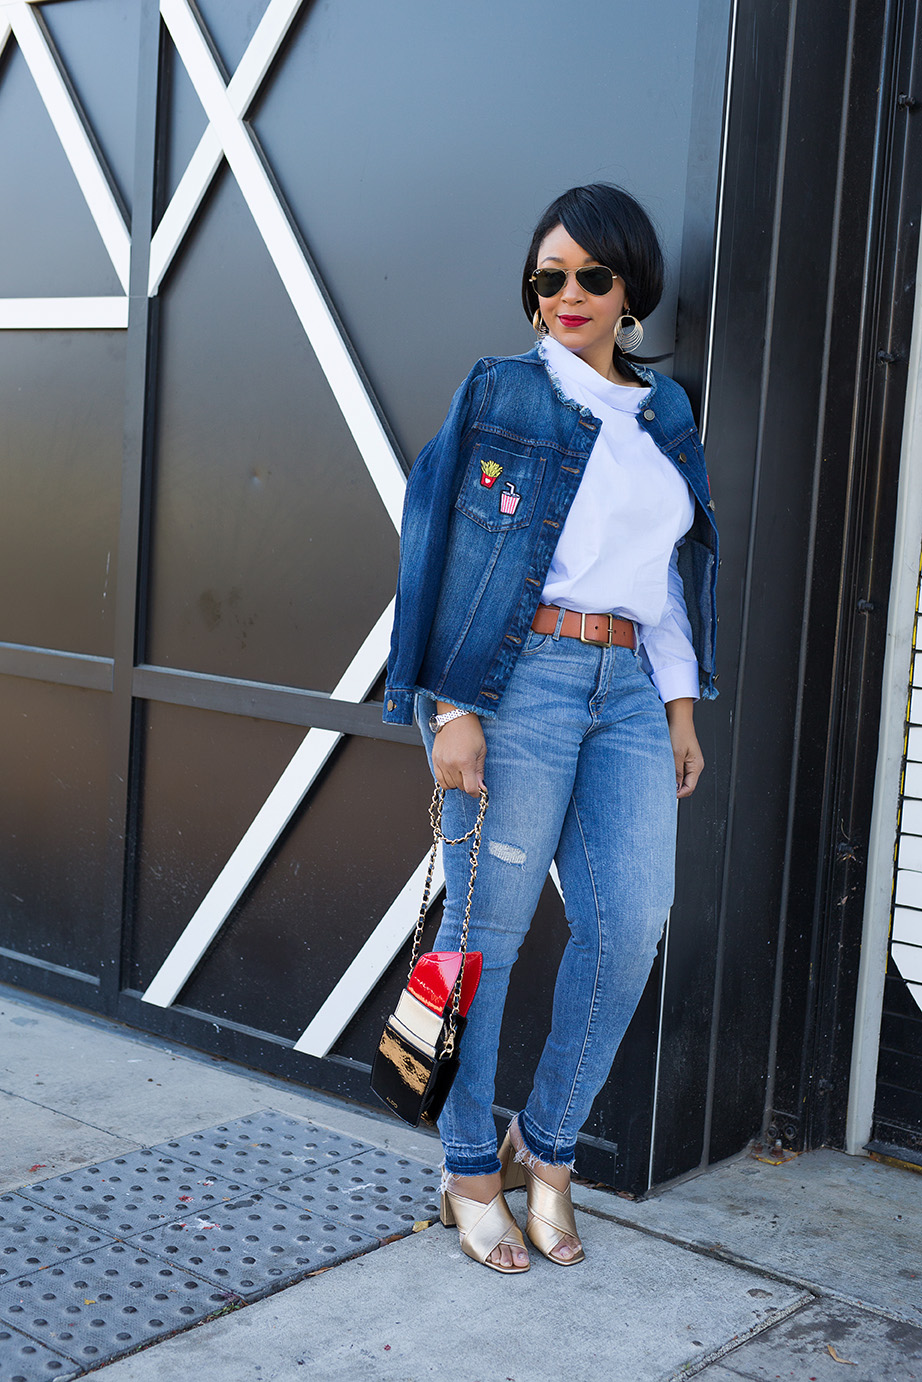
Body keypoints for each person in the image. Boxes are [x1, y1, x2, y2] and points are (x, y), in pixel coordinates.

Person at [383, 183, 718, 1274]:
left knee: (628, 924)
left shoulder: (665, 413)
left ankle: (552, 1148)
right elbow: (442, 549)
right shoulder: (501, 392)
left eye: (591, 276)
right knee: (485, 935)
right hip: (516, 676)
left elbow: (668, 577)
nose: (566, 295)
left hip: (626, 684)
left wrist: (677, 706)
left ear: (632, 289)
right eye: (548, 277)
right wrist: (454, 704)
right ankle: (471, 1164)